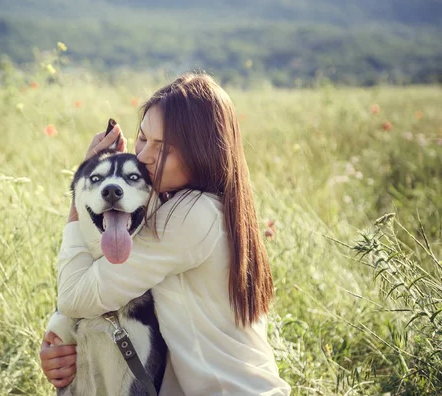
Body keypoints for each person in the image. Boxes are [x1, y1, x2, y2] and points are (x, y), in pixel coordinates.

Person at [40, 73, 291, 395]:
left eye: (165, 148)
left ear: (203, 153)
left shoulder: (190, 215)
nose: (144, 156)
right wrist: (60, 336)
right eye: (142, 138)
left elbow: (76, 297)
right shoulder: (188, 204)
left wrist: (83, 189)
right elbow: (106, 291)